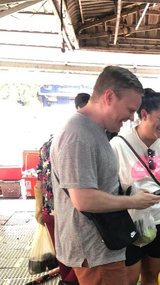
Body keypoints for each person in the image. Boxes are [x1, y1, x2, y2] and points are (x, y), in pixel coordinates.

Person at [50, 66, 160, 285]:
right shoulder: (78, 135)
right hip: (95, 250)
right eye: (130, 110)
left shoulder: (95, 131)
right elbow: (83, 199)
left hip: (102, 246)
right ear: (109, 97)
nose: (131, 118)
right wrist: (133, 201)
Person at [110, 88, 160, 285]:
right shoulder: (119, 145)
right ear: (144, 114)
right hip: (130, 223)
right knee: (129, 279)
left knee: (152, 275)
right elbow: (108, 190)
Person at [34, 92, 90, 285]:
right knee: (83, 261)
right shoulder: (84, 141)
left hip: (51, 210)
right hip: (76, 213)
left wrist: (38, 209)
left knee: (64, 257)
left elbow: (39, 182)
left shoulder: (47, 144)